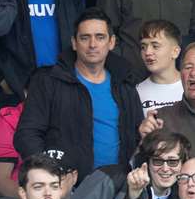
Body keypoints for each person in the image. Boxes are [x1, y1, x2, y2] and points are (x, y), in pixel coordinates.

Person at [16, 11, 145, 182]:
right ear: (74, 43)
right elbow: (27, 134)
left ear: (111, 42)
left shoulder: (125, 83)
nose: (92, 44)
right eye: (85, 38)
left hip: (117, 184)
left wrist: (145, 133)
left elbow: (135, 137)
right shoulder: (48, 81)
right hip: (66, 188)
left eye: (100, 37)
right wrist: (49, 177)